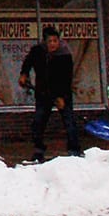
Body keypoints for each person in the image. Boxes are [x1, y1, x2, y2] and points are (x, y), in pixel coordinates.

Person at [19, 25, 82, 160]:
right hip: (43, 93)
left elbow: (67, 78)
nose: (53, 44)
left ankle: (74, 150)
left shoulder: (64, 55)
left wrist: (61, 97)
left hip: (61, 93)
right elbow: (28, 62)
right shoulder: (37, 52)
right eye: (50, 41)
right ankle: (38, 150)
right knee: (38, 122)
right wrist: (24, 74)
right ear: (44, 42)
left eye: (55, 41)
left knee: (69, 121)